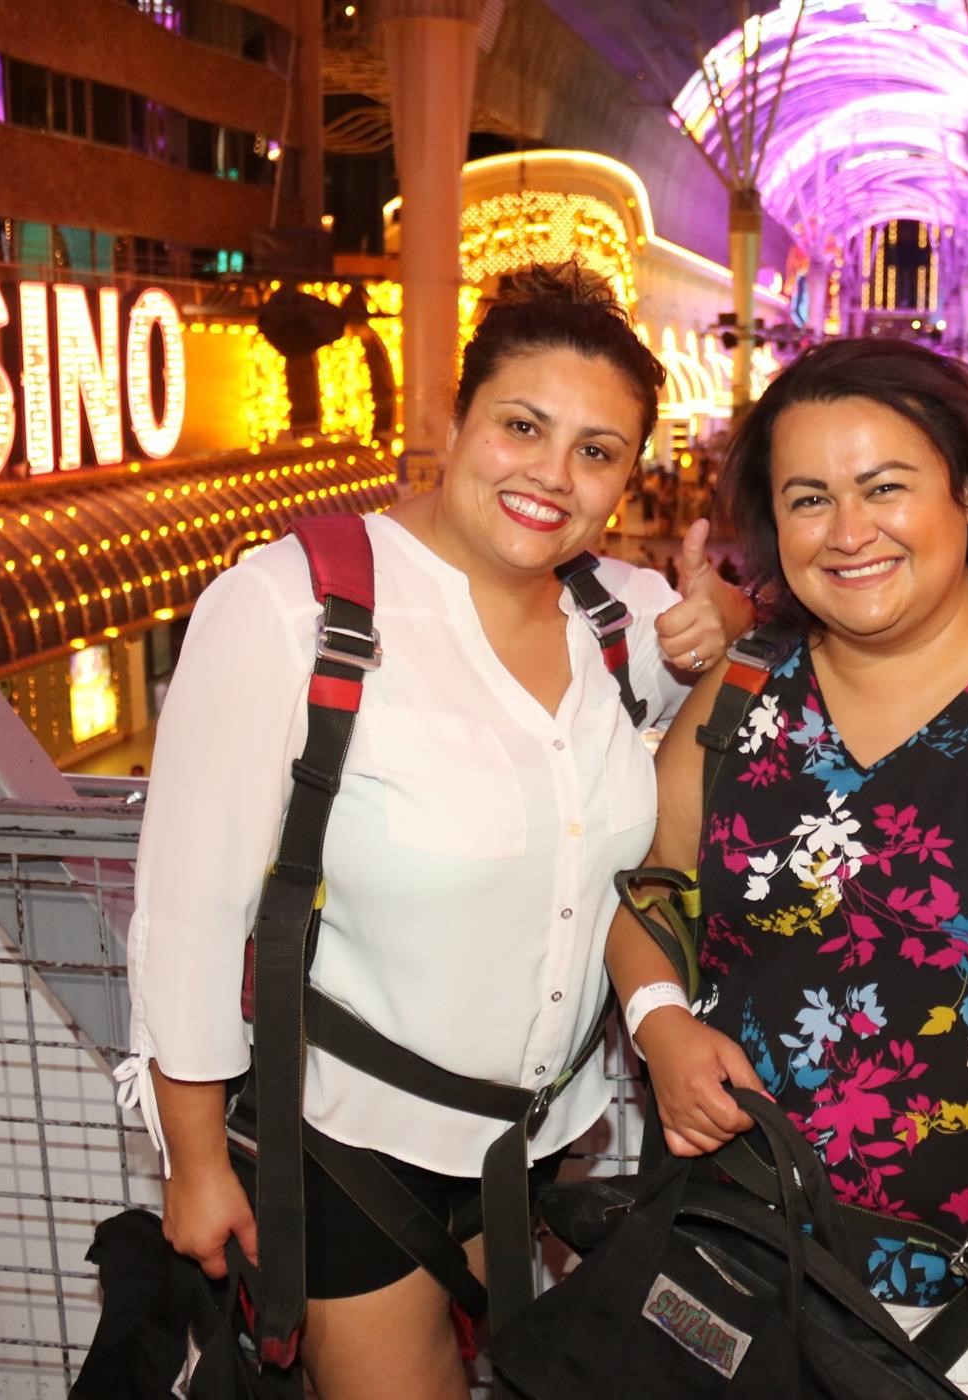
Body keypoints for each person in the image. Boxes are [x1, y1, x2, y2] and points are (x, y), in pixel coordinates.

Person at [116, 262, 746, 1400]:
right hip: (355, 1144)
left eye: (597, 451)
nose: (553, 476)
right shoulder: (291, 606)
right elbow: (188, 912)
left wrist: (734, 612)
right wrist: (198, 1163)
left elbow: (746, 667)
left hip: (552, 1142)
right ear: (452, 418)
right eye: (522, 425)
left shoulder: (631, 613)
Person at [604, 337, 968, 1398]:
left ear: (966, 493)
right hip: (745, 1255)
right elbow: (652, 887)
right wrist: (660, 1023)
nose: (849, 531)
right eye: (808, 498)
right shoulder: (744, 688)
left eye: (886, 487)